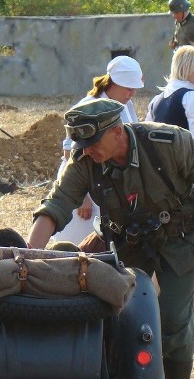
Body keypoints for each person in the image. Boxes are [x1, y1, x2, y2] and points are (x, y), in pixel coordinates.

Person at [27, 98, 194, 379]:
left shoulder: (170, 142)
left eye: (93, 143)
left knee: (171, 321)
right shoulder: (86, 158)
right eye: (81, 145)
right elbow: (56, 205)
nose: (87, 151)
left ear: (117, 131)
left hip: (180, 241)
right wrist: (28, 253)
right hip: (126, 242)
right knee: (103, 316)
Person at [145, 45, 194, 336]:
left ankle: (157, 310)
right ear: (187, 67)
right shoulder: (193, 97)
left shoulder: (156, 100)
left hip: (159, 182)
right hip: (187, 180)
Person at [52, 55, 143, 245]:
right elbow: (71, 153)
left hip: (108, 181)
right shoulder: (87, 106)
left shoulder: (126, 106)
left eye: (134, 89)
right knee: (77, 242)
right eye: (128, 88)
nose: (131, 93)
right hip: (84, 181)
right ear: (113, 84)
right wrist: (82, 197)